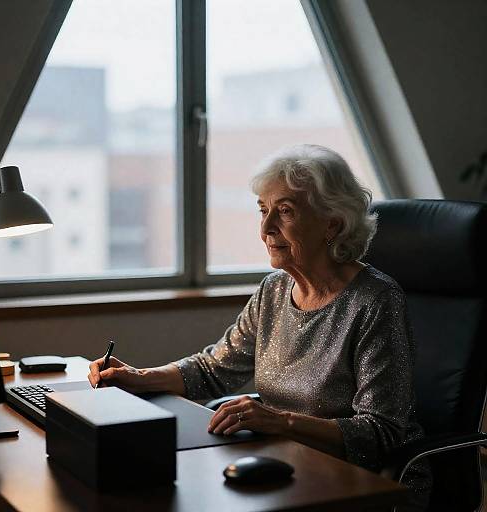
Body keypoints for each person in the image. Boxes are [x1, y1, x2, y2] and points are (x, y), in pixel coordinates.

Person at [88, 144, 431, 510]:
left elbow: (382, 433)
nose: (266, 228)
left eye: (284, 212)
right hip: (286, 462)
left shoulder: (376, 299)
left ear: (332, 223)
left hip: (366, 480)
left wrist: (281, 422)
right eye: (264, 211)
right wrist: (140, 377)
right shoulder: (275, 289)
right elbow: (213, 369)